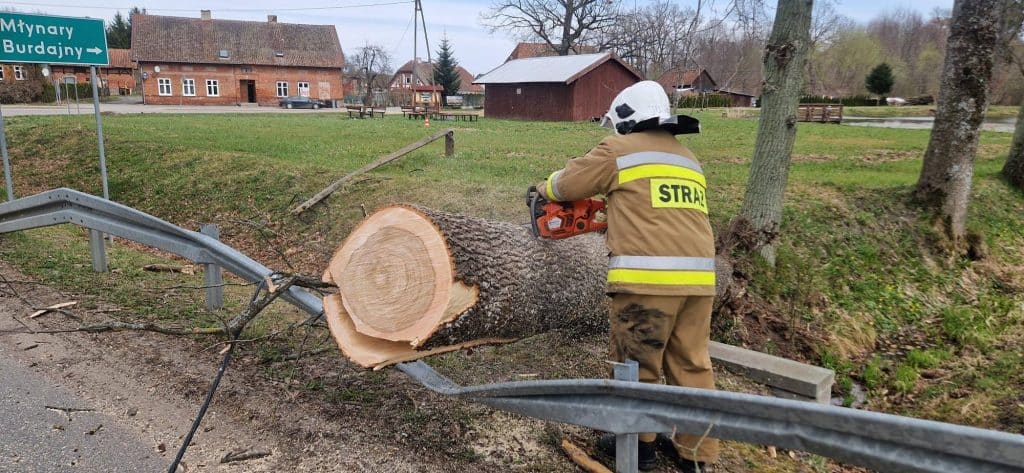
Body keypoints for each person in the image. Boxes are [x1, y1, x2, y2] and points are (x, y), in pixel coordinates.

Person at [533, 81, 719, 472]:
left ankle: (639, 451)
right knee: (693, 366)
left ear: (625, 119)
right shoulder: (688, 157)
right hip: (700, 282)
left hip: (647, 283)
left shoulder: (618, 150)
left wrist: (541, 188)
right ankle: (697, 455)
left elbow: (568, 184)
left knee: (637, 367)